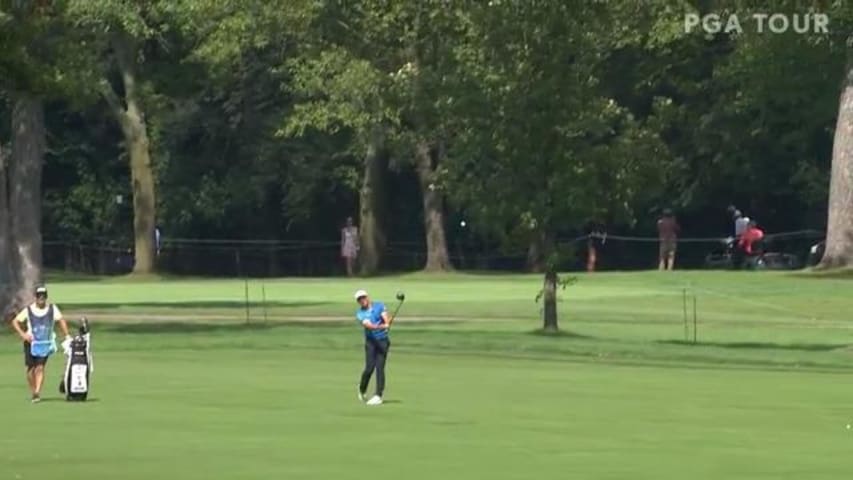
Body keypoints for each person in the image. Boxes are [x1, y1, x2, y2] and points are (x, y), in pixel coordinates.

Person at [10, 285, 71, 403]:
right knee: (30, 370)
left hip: (45, 343)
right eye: (39, 296)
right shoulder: (28, 310)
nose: (41, 298)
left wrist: (67, 335)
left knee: (40, 367)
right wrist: (23, 335)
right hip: (30, 343)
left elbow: (61, 321)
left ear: (46, 297)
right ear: (36, 297)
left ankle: (37, 392)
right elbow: (15, 322)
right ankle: (33, 390)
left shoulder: (53, 309)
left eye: (43, 296)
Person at [354, 289, 392, 406]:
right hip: (371, 342)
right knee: (369, 368)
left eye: (363, 297)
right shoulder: (360, 313)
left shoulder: (379, 305)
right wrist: (382, 326)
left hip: (383, 341)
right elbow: (369, 326)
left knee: (380, 368)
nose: (362, 301)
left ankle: (378, 396)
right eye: (359, 300)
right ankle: (362, 388)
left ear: (367, 297)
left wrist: (387, 322)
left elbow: (386, 317)